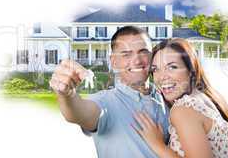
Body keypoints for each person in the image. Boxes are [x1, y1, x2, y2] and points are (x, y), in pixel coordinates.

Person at [49, 26, 170, 158]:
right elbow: (78, 113)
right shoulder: (105, 101)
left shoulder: (165, 97)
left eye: (143, 52)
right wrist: (67, 95)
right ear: (114, 62)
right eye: (126, 54)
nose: (137, 60)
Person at [132, 38, 228, 158]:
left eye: (172, 67)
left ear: (191, 71)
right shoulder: (206, 99)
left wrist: (158, 145)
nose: (161, 77)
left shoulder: (183, 109)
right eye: (155, 69)